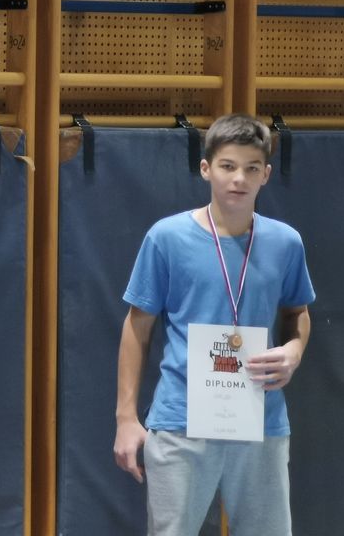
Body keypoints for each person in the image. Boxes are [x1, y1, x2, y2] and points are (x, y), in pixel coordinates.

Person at [113, 113, 314, 535]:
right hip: (181, 420)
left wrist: (294, 351)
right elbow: (137, 327)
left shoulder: (286, 242)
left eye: (252, 168)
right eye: (227, 166)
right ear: (206, 169)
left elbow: (297, 313)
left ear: (266, 175)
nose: (239, 178)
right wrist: (126, 418)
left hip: (260, 420)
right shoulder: (166, 238)